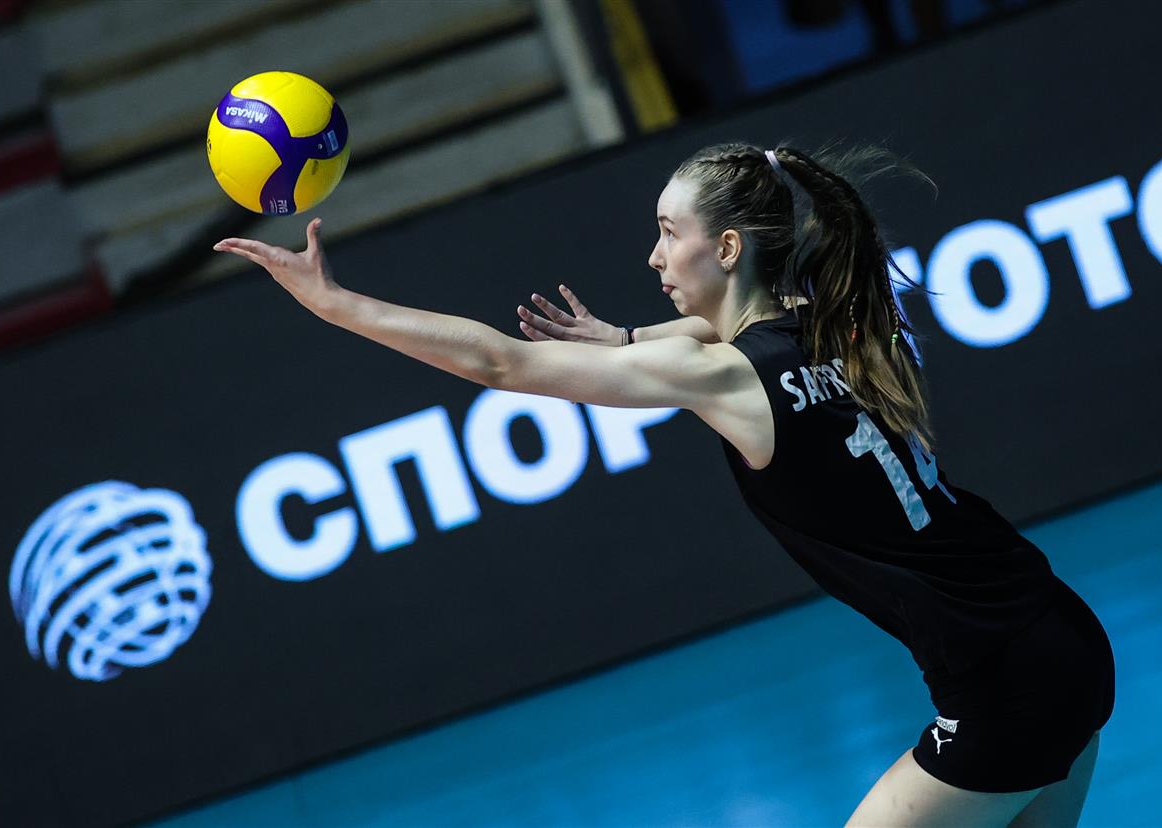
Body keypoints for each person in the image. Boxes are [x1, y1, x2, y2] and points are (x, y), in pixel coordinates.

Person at [214, 141, 1115, 827]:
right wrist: (624, 341)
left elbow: (499, 363)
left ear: (726, 247)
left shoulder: (727, 376)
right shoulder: (837, 319)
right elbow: (706, 337)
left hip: (1005, 688)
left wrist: (335, 305)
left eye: (668, 234)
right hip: (1059, 631)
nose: (653, 256)